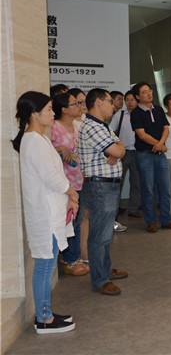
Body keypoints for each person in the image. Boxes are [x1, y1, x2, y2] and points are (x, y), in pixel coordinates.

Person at [13, 91, 78, 334]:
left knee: (47, 266)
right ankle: (43, 319)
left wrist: (68, 195)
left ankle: (46, 314)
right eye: (49, 109)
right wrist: (72, 193)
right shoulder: (33, 140)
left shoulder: (38, 139)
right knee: (45, 267)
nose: (53, 113)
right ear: (34, 114)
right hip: (45, 213)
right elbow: (51, 178)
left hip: (51, 210)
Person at [78, 88, 128, 295]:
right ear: (98, 102)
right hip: (100, 186)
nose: (113, 105)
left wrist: (117, 149)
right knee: (100, 236)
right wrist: (116, 150)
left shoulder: (102, 125)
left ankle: (105, 270)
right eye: (109, 101)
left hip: (107, 185)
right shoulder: (92, 126)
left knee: (105, 234)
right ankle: (100, 280)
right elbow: (118, 150)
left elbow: (120, 148)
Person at [130, 82, 171, 233]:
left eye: (149, 90)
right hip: (144, 155)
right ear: (138, 96)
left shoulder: (158, 109)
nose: (149, 93)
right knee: (147, 189)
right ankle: (151, 221)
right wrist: (159, 144)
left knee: (165, 189)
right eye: (144, 92)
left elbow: (166, 128)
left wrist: (160, 145)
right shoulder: (136, 113)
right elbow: (141, 134)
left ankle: (166, 219)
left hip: (160, 155)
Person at [51, 92, 89, 276]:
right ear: (64, 109)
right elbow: (46, 151)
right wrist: (59, 148)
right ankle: (69, 259)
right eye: (75, 104)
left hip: (79, 180)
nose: (79, 106)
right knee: (68, 222)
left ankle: (75, 257)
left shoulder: (76, 125)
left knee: (77, 221)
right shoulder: (54, 127)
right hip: (64, 183)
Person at [109, 90, 143, 221]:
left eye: (132, 100)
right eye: (127, 100)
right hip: (122, 153)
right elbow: (111, 132)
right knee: (118, 182)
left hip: (138, 152)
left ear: (137, 101)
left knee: (136, 182)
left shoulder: (141, 115)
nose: (129, 102)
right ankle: (115, 210)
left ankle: (133, 209)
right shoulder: (120, 114)